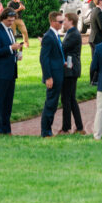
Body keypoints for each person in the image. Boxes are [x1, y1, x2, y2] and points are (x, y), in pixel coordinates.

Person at [0, 9, 21, 135]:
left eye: (13, 20)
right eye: (9, 20)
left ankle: (6, 129)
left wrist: (16, 53)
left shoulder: (10, 31)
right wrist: (10, 48)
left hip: (11, 71)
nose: (11, 22)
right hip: (1, 72)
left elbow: (10, 49)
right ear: (3, 18)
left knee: (8, 102)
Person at [40, 9, 65, 138]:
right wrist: (48, 77)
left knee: (54, 103)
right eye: (60, 22)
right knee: (50, 103)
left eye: (63, 21)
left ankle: (47, 130)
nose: (62, 24)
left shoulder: (55, 35)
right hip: (53, 76)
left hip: (58, 72)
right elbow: (44, 59)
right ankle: (45, 131)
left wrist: (63, 61)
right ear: (52, 22)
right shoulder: (49, 37)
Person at [59, 11, 85, 134]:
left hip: (70, 69)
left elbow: (62, 48)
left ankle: (66, 127)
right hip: (70, 69)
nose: (62, 22)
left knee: (66, 98)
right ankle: (79, 127)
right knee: (70, 98)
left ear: (71, 21)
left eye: (64, 20)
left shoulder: (73, 34)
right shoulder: (71, 33)